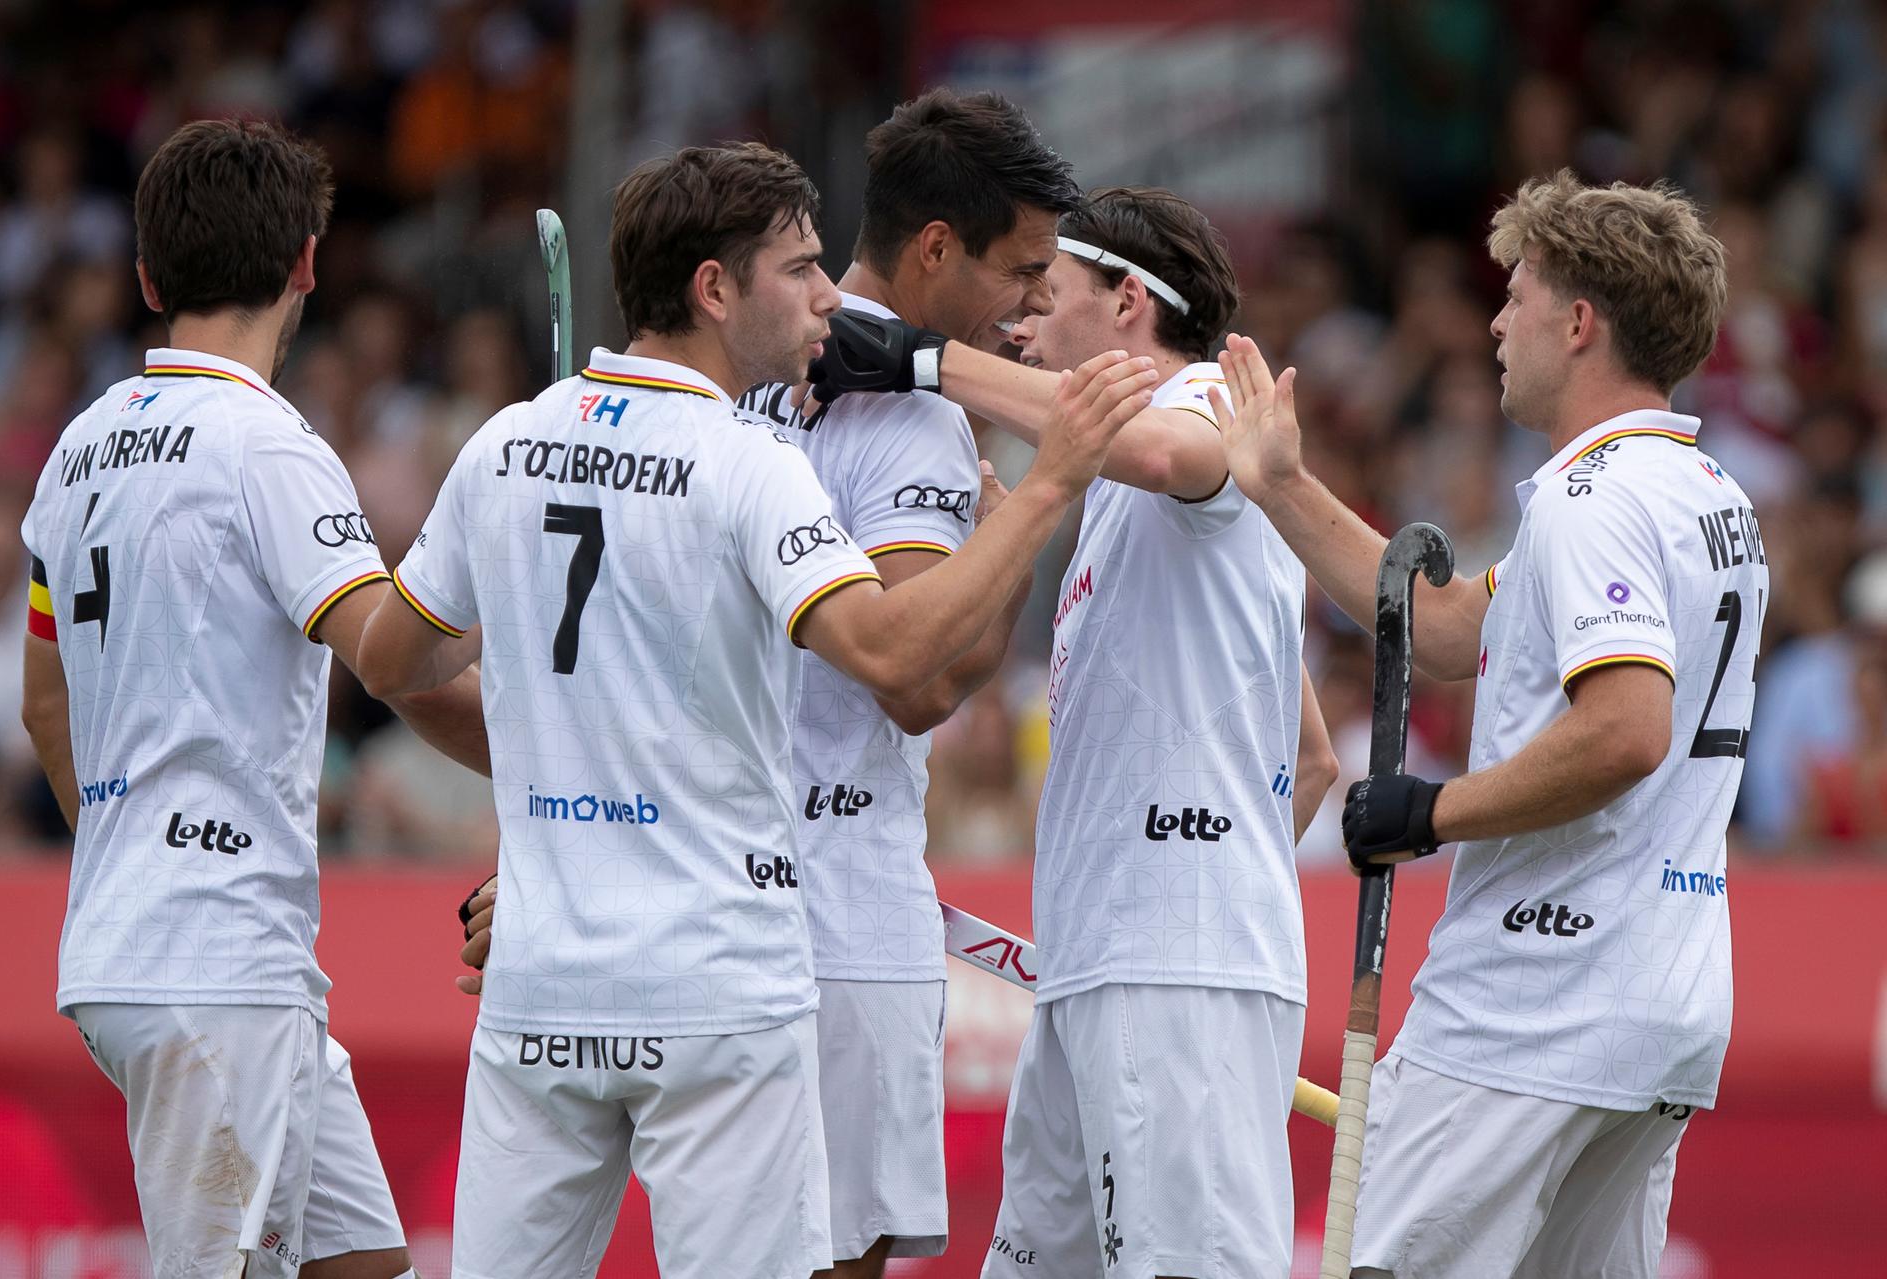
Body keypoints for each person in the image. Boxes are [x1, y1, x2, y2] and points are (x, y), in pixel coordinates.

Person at [353, 141, 1155, 1279]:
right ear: (715, 290)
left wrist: (551, 757)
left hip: (543, 984)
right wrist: (1045, 493)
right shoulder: (747, 460)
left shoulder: (504, 445)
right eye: (802, 268)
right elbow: (893, 652)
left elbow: (394, 664)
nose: (833, 297)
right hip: (721, 984)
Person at [1212, 170, 1756, 1278]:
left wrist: (1430, 810)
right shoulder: (1705, 490)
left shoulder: (1590, 500)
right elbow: (1455, 630)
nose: (1498, 322)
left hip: (1534, 1004)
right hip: (1666, 1004)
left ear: (1580, 321)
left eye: (1517, 295)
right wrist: (1280, 485)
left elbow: (1626, 731)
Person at [18, 119, 487, 1279]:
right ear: (307, 266)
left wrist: (132, 850)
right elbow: (385, 651)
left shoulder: (74, 452)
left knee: (364, 1263)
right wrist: (488, 562)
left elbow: (43, 705)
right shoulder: (266, 445)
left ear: (145, 277)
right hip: (214, 959)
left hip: (155, 941)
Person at [731, 88, 1078, 1277]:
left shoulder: (749, 370)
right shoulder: (921, 421)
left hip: (719, 890)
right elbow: (919, 681)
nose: (1036, 299)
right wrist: (1020, 526)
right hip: (839, 911)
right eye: (1023, 267)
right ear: (937, 249)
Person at [979, 185, 1339, 1279]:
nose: (1021, 327)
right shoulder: (1116, 491)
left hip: (1169, 972)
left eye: (1048, 296)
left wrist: (919, 362)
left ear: (1130, 301)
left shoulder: (1200, 411)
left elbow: (1177, 458)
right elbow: (1312, 759)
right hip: (1111, 966)